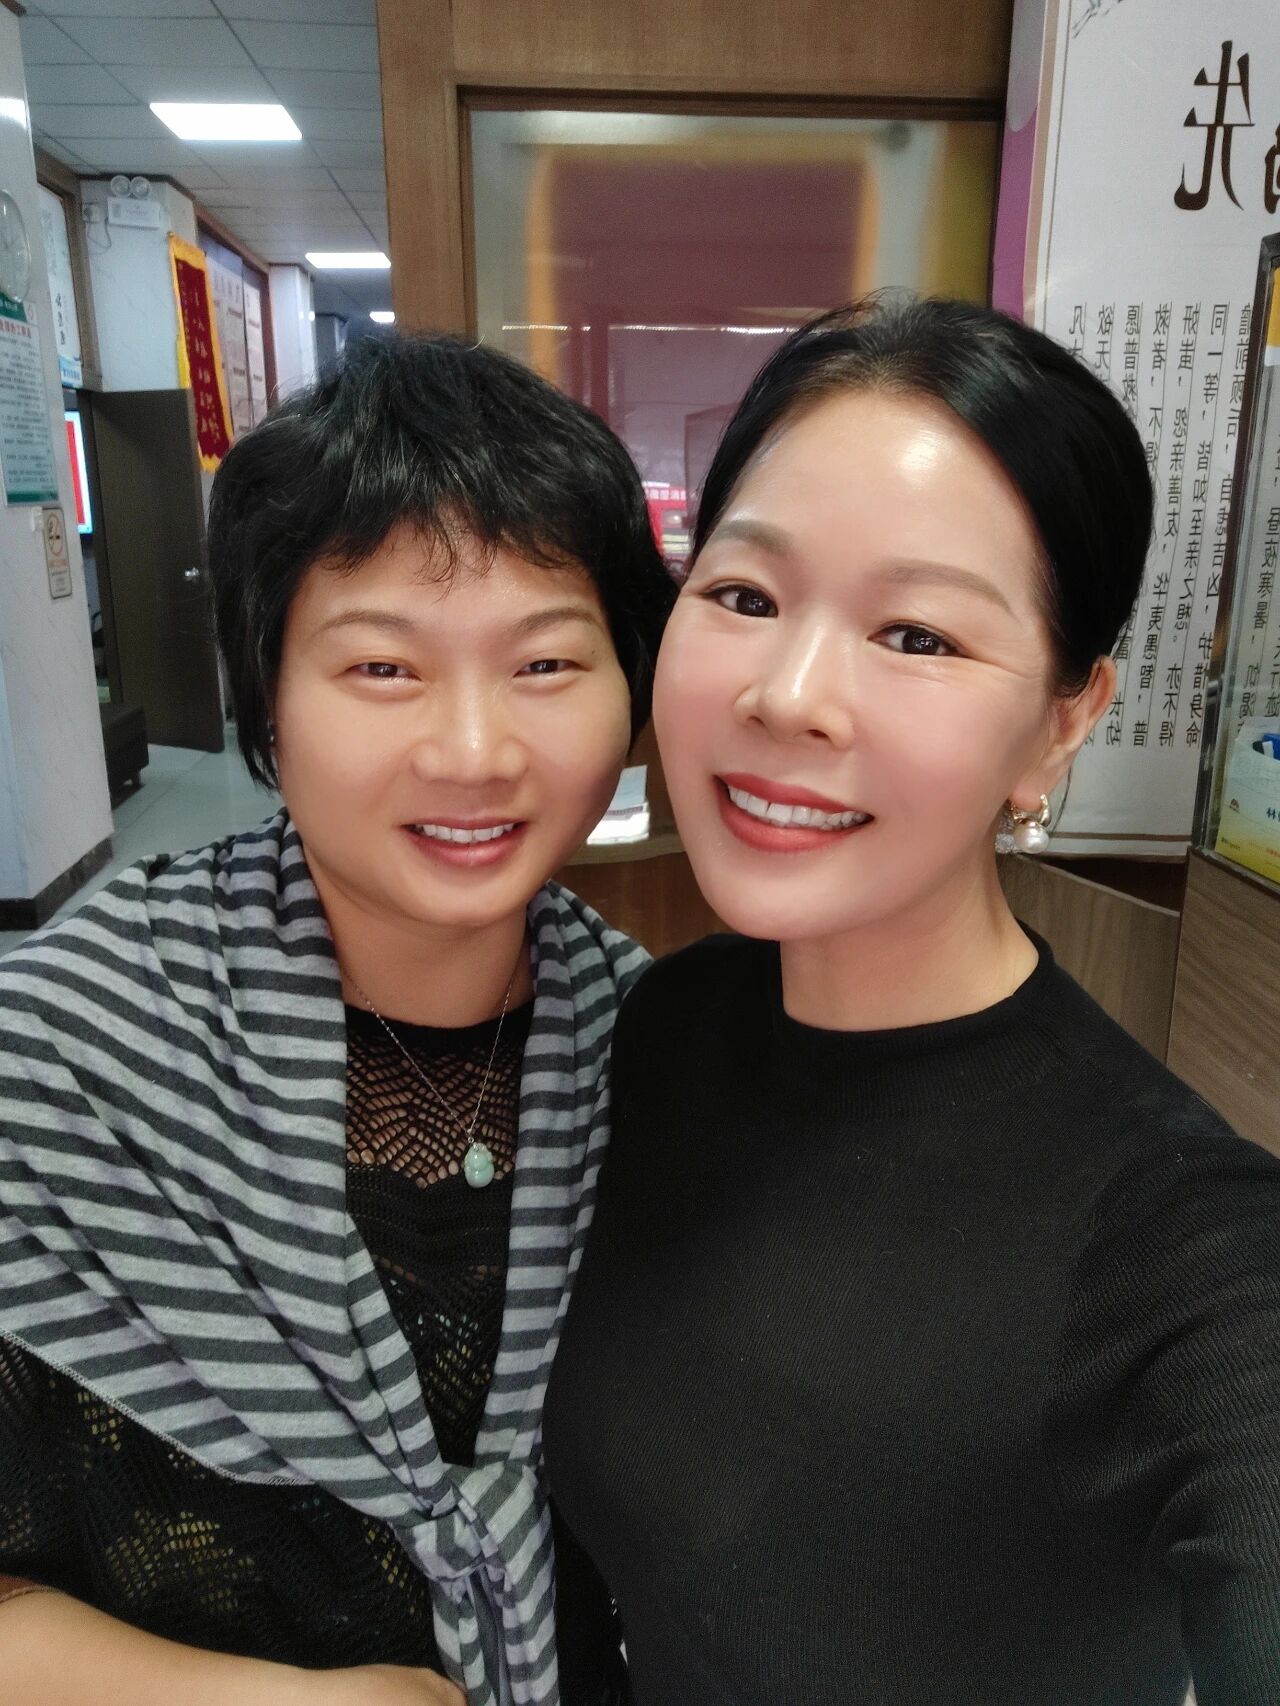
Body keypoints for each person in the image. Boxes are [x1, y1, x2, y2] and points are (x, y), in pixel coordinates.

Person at [543, 297, 1280, 1706]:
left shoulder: (1190, 1248)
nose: (790, 696)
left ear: (1064, 719)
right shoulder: (663, 1028)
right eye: (745, 596)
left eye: (920, 636)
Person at [0, 331, 674, 1706]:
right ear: (267, 693)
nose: (474, 750)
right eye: (382, 669)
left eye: (548, 664)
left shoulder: (664, 1055)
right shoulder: (62, 1055)